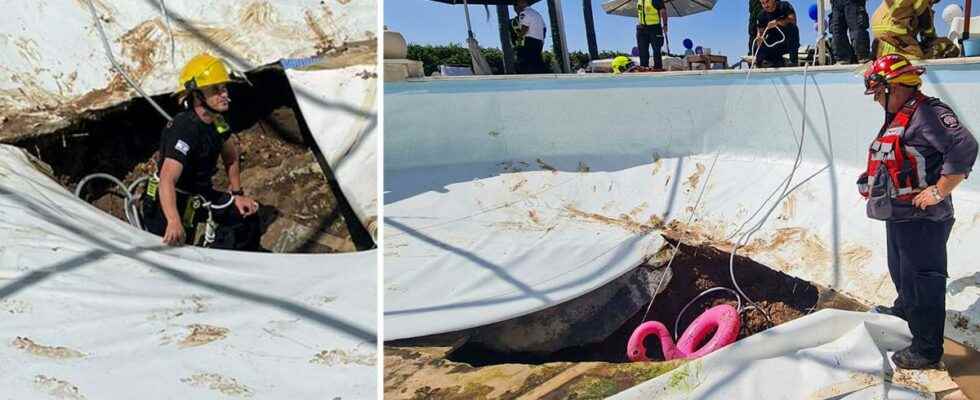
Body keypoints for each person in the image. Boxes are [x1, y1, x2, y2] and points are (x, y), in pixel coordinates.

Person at [859, 54, 977, 369]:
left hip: (923, 219)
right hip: (898, 215)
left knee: (924, 280)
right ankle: (906, 309)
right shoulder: (901, 113)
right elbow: (895, 154)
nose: (876, 101)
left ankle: (927, 348)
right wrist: (868, 181)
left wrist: (940, 190)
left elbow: (964, 146)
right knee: (900, 270)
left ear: (894, 87)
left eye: (878, 94)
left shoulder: (928, 113)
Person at [141, 53, 262, 250]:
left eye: (223, 88)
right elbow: (167, 180)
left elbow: (231, 157)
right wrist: (173, 220)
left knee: (246, 218)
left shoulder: (218, 123)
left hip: (199, 195)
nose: (224, 94)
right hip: (169, 202)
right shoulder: (184, 129)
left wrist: (237, 193)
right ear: (197, 95)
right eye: (216, 90)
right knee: (175, 251)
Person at [870, 0, 959, 59]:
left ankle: (885, 49)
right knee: (918, 56)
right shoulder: (924, 5)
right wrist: (931, 39)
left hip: (880, 26)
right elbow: (927, 27)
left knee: (915, 46)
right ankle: (885, 52)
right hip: (893, 29)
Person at [754, 0, 800, 67]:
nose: (765, 5)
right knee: (757, 44)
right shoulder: (761, 15)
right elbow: (760, 33)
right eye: (762, 3)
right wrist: (759, 38)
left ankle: (793, 61)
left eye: (767, 1)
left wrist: (777, 22)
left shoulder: (784, 6)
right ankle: (764, 63)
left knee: (793, 28)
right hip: (774, 44)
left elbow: (793, 20)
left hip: (788, 42)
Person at [511, 0, 548, 74]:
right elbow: (544, 29)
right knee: (537, 62)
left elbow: (525, 28)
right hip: (539, 41)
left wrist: (519, 39)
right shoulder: (537, 14)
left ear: (522, 2)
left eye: (517, 4)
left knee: (523, 62)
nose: (517, 6)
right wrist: (542, 40)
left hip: (529, 41)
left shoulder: (524, 13)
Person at [635, 0, 668, 70]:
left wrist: (665, 25)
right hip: (641, 28)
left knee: (656, 50)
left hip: (655, 28)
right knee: (642, 50)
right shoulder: (639, 1)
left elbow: (663, 11)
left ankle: (658, 68)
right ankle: (644, 67)